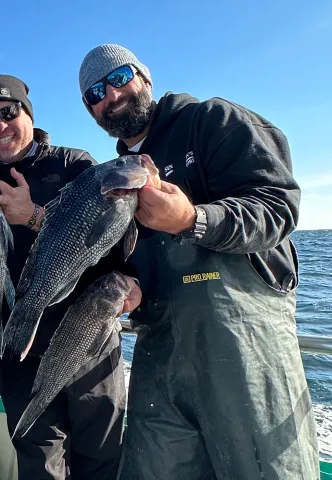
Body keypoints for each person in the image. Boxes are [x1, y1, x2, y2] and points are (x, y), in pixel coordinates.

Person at [78, 44, 320, 479]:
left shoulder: (212, 120)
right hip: (160, 352)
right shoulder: (114, 176)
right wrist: (131, 287)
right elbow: (129, 255)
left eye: (119, 78)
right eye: (95, 92)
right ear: (90, 110)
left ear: (145, 78)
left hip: (244, 343)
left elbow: (278, 208)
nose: (110, 96)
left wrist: (194, 218)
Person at [0, 74, 138, 480]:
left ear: (28, 112)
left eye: (8, 113)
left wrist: (35, 216)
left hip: (89, 340)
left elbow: (114, 247)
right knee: (39, 465)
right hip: (17, 350)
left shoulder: (76, 165)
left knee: (101, 458)